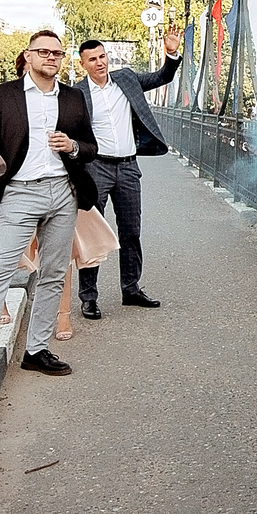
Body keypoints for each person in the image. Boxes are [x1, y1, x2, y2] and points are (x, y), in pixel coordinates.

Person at [0, 30, 95, 380]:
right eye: (43, 51)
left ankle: (37, 350)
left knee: (54, 273)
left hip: (63, 192)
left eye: (57, 53)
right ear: (28, 56)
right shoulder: (1, 96)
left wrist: (72, 146)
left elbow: (91, 147)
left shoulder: (74, 98)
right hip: (18, 193)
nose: (51, 58)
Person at [69, 29, 183, 320]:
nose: (99, 62)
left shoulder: (127, 79)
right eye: (92, 59)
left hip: (129, 167)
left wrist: (171, 55)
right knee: (93, 233)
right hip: (96, 167)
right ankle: (88, 297)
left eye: (102, 56)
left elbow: (161, 78)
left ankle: (130, 289)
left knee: (131, 231)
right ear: (83, 64)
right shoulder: (76, 94)